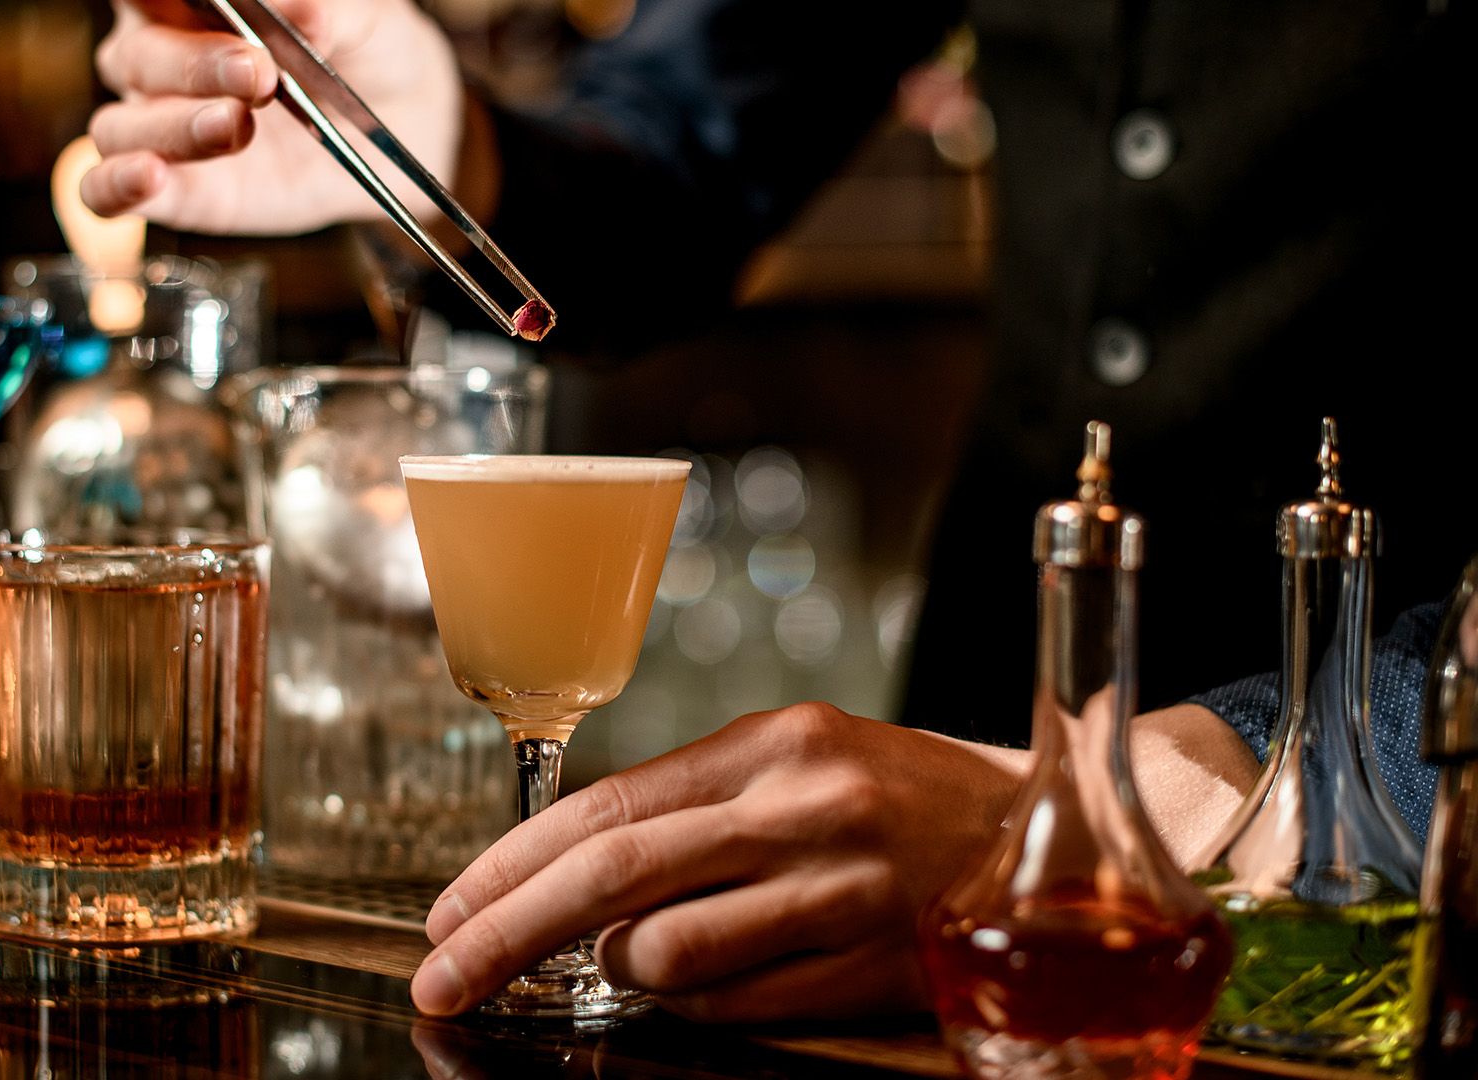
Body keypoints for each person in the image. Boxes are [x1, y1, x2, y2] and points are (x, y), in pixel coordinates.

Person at [81, 0, 1473, 1020]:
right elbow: (696, 128)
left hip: (1406, 890)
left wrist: (1164, 797)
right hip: (974, 760)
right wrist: (435, 146)